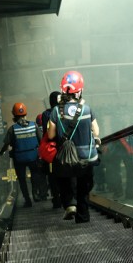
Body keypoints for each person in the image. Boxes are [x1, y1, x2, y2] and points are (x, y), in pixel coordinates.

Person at [47, 70, 100, 223]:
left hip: (66, 157)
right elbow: (96, 131)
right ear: (80, 91)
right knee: (84, 186)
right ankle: (83, 217)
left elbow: (50, 135)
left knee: (62, 178)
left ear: (63, 90)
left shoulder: (56, 111)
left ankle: (69, 203)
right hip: (86, 157)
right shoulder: (87, 109)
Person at [0, 102, 42, 207]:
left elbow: (6, 144)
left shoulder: (12, 129)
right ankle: (35, 194)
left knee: (22, 179)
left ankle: (27, 200)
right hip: (33, 156)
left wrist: (1, 152)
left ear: (14, 114)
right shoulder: (34, 125)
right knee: (35, 175)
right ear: (25, 113)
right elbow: (41, 140)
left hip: (19, 158)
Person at [36, 91, 62, 208]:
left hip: (52, 149)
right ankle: (67, 197)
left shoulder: (46, 114)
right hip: (64, 146)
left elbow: (47, 133)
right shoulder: (64, 111)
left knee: (52, 175)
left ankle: (56, 199)